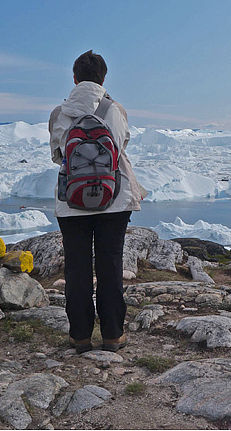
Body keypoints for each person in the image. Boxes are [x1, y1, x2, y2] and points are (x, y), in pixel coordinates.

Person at [48, 50, 143, 353]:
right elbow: (121, 144)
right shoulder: (115, 110)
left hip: (71, 202)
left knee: (76, 269)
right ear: (103, 79)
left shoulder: (59, 113)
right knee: (110, 264)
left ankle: (80, 337)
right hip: (113, 199)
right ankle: (113, 334)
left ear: (74, 78)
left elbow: (57, 155)